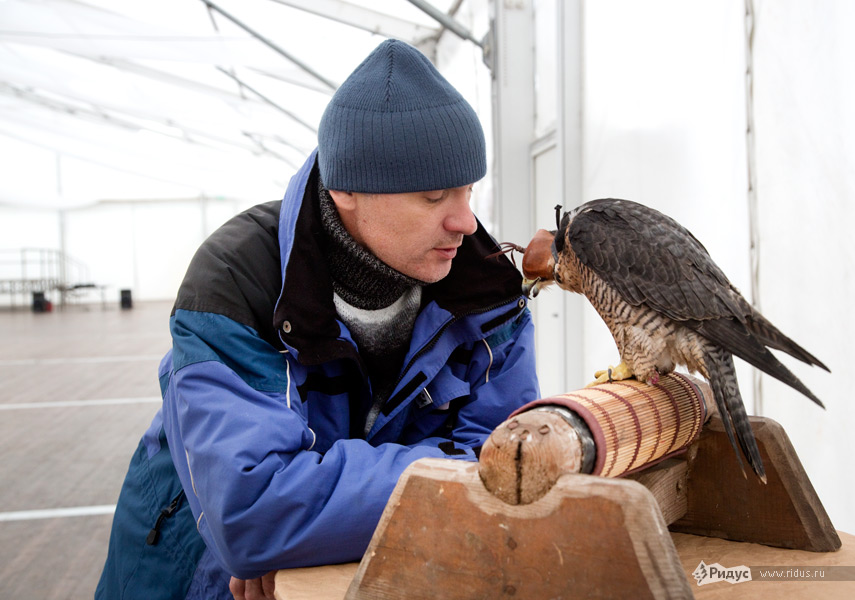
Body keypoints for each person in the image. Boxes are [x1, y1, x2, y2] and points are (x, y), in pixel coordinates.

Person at [94, 39, 540, 600]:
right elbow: (252, 511)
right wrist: (453, 469)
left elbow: (511, 463)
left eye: (469, 189)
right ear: (346, 190)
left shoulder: (488, 293)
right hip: (194, 582)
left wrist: (308, 532)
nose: (465, 221)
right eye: (433, 197)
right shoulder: (240, 281)